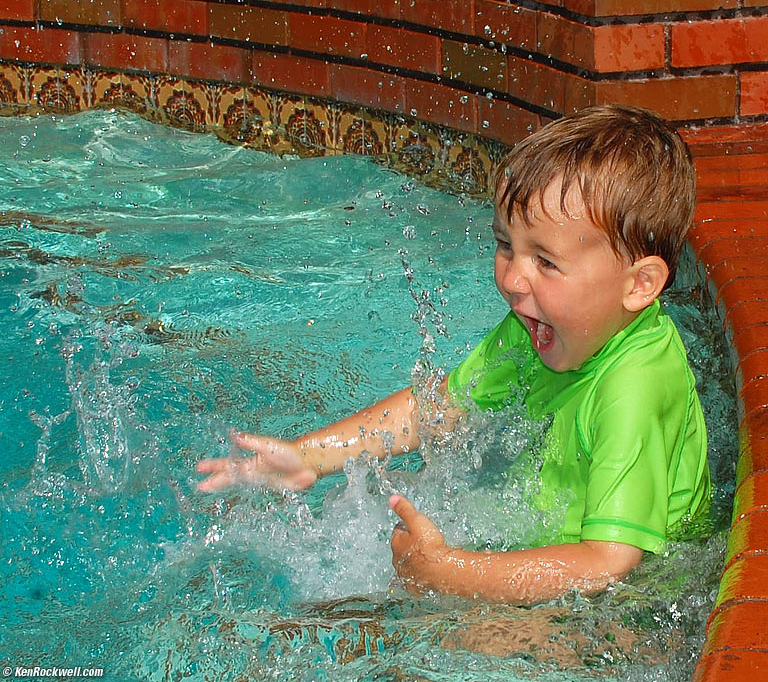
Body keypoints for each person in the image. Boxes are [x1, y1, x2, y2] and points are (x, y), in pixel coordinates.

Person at [196, 105, 711, 605]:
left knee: (418, 639)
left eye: (546, 262)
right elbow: (437, 408)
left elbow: (609, 562)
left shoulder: (634, 384)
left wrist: (449, 571)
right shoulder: (543, 328)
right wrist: (307, 457)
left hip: (635, 600)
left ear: (639, 284)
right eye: (506, 245)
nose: (512, 279)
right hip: (556, 561)